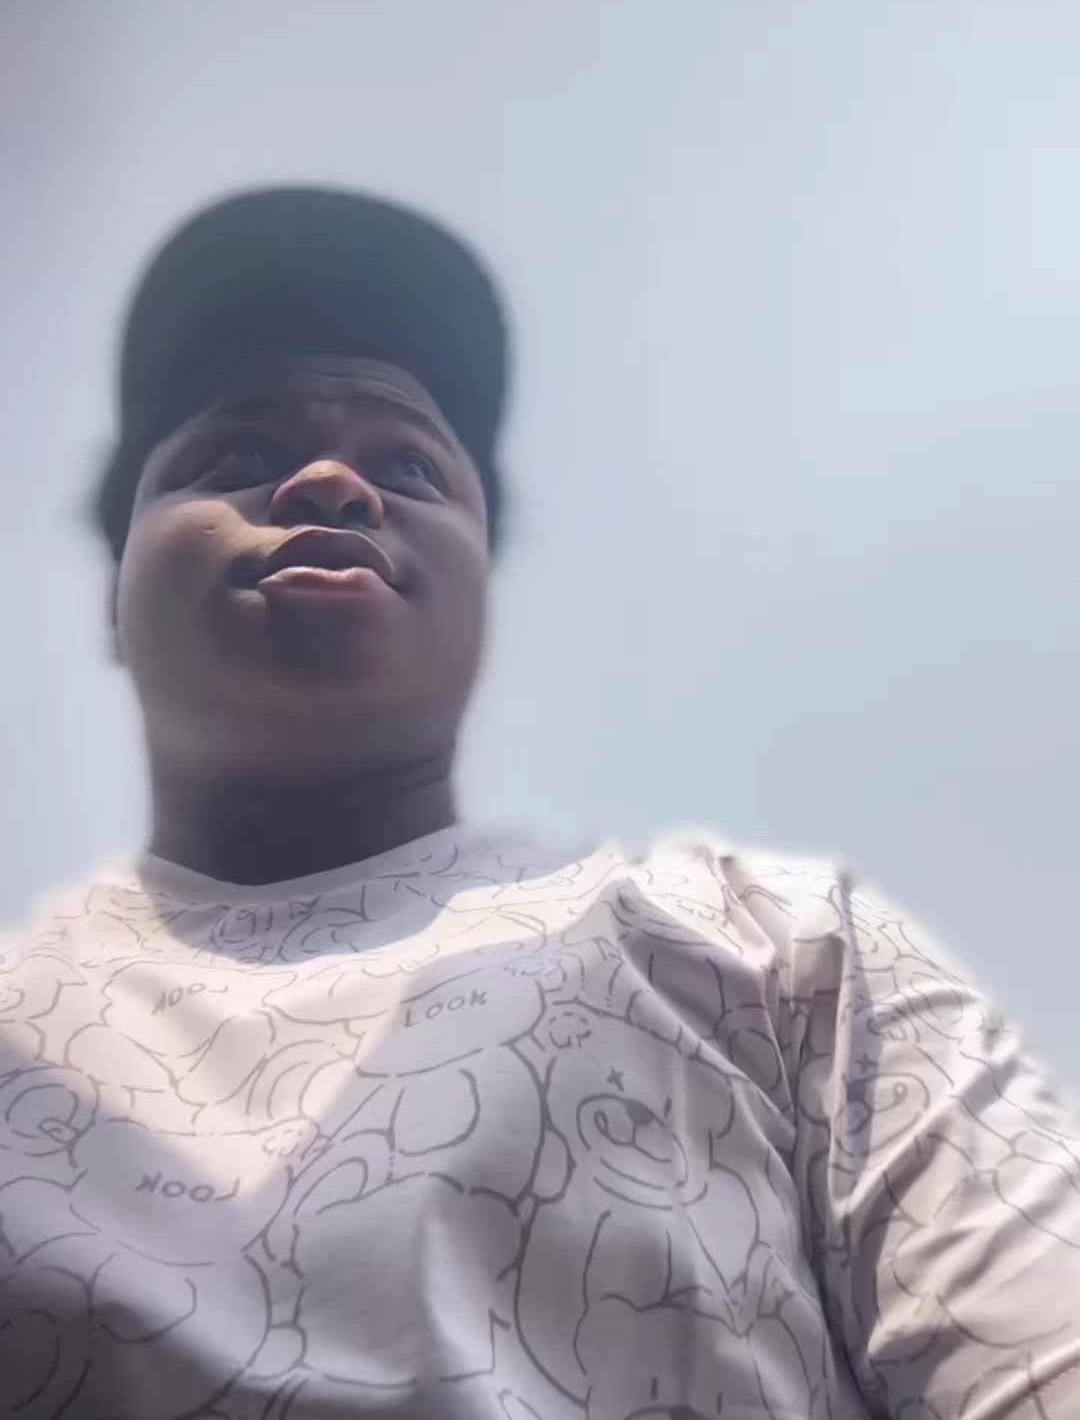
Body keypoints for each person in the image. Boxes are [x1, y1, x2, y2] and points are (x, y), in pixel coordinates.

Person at [1, 183, 1077, 1420]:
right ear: (114, 592)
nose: (331, 481)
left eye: (411, 464)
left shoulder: (784, 952)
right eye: (237, 456)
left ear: (480, 597)